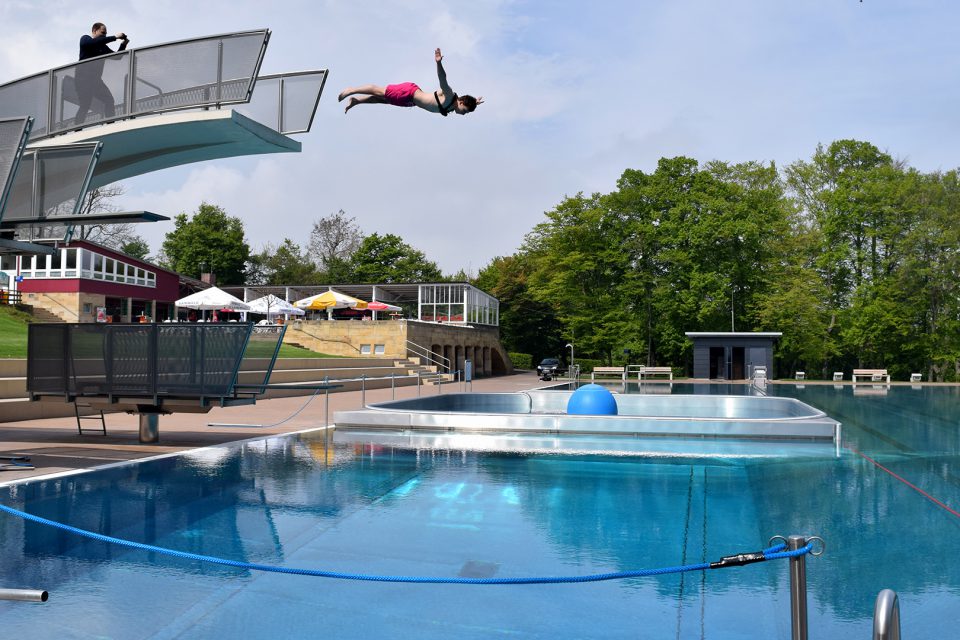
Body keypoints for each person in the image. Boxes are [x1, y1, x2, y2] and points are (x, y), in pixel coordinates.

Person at [338, 48, 482, 116]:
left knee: (382, 100)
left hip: (411, 102)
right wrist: (438, 63)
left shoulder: (453, 107)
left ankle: (356, 101)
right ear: (461, 103)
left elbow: (467, 101)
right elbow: (442, 79)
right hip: (409, 92)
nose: (464, 114)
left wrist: (474, 101)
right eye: (465, 111)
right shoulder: (450, 95)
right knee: (380, 91)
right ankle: (352, 89)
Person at [75, 22, 130, 124]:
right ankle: (77, 131)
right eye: (102, 33)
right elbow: (91, 43)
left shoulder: (102, 47)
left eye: (105, 34)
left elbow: (117, 57)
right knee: (85, 105)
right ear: (94, 31)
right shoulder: (85, 39)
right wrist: (115, 37)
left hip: (95, 81)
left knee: (109, 100)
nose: (104, 36)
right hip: (83, 80)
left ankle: (110, 126)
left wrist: (123, 44)